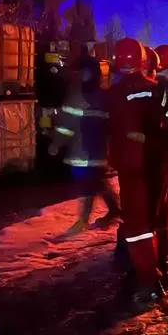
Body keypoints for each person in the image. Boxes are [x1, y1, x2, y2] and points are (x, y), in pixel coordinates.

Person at [107, 37, 168, 303]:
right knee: (159, 218)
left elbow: (114, 129)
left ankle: (149, 280)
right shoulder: (158, 89)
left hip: (133, 168)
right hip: (161, 162)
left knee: (138, 226)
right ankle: (162, 269)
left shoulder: (114, 94)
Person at [51, 53, 119, 235]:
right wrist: (57, 143)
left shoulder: (97, 98)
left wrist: (57, 143)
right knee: (96, 184)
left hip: (91, 152)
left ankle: (84, 220)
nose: (82, 76)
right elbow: (66, 124)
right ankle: (115, 210)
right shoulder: (94, 96)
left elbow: (109, 125)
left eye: (85, 72)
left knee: (90, 185)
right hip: (86, 152)